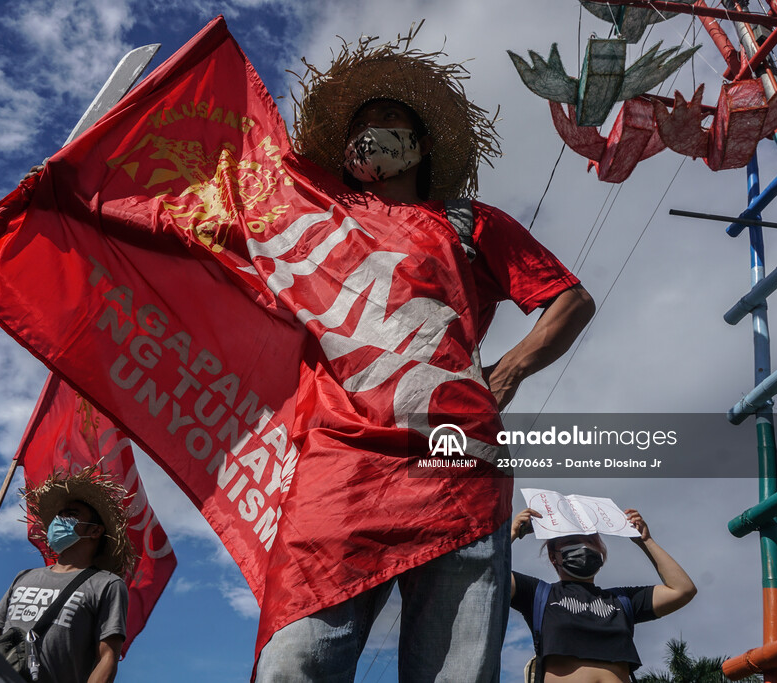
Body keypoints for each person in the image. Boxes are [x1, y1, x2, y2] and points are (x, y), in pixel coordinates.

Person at [253, 30, 596, 682]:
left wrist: (509, 370)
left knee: (455, 673)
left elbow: (569, 300)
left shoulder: (470, 222)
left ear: (422, 144)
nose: (370, 132)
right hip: (338, 468)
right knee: (293, 664)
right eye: (360, 126)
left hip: (456, 463)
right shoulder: (309, 227)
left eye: (388, 119)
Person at [0, 466, 133, 683]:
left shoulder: (106, 584)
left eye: (71, 514)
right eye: (60, 515)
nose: (60, 519)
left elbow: (107, 657)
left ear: (95, 531)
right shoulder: (24, 577)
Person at [509, 507, 697, 683]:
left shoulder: (622, 600)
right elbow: (492, 579)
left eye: (591, 542)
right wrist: (512, 533)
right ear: (553, 556)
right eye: (571, 542)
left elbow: (682, 590)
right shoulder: (539, 594)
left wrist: (645, 541)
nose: (584, 546)